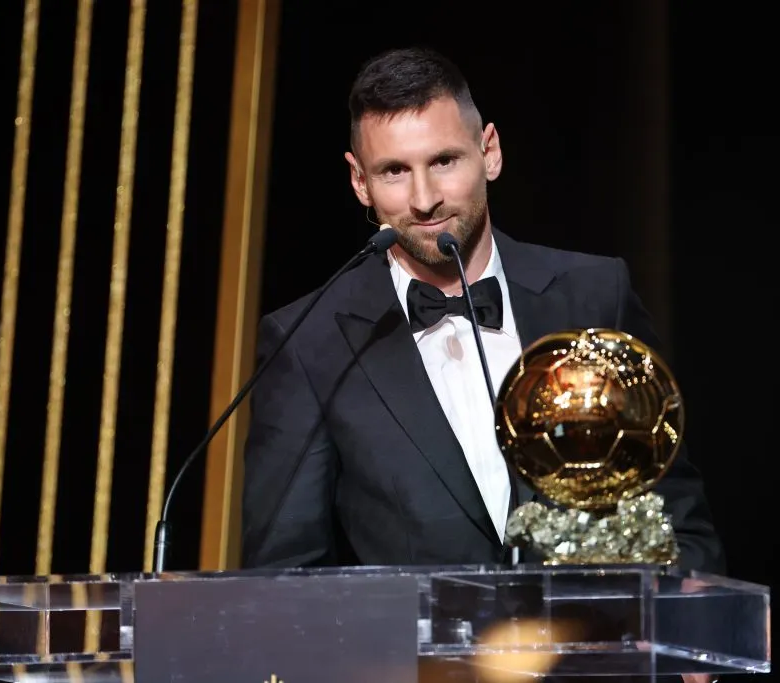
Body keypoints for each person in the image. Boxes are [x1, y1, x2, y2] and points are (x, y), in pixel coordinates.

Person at [240, 46, 725, 577]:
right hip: (417, 661)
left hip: (599, 655)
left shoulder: (593, 293)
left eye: (444, 161)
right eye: (394, 171)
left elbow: (673, 505)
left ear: (489, 151)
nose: (424, 199)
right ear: (360, 182)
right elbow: (284, 573)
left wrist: (689, 634)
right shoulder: (308, 343)